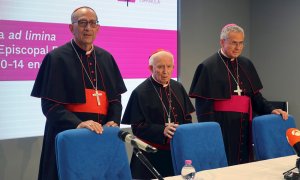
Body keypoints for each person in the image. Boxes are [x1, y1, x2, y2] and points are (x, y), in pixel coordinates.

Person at [31, 6, 127, 180]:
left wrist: (113, 120)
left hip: (101, 137)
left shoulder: (106, 58)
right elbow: (50, 106)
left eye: (92, 23)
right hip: (69, 138)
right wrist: (78, 124)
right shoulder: (56, 58)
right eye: (82, 23)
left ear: (98, 28)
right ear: (71, 27)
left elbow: (115, 99)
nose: (88, 28)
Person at [189, 23, 288, 166]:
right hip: (222, 126)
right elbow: (203, 106)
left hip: (245, 125)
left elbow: (255, 97)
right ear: (222, 42)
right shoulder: (208, 66)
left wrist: (271, 109)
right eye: (234, 43)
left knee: (245, 164)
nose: (238, 47)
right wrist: (210, 132)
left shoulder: (246, 64)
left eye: (241, 43)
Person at [121, 50, 195, 179]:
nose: (165, 71)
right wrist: (162, 130)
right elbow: (137, 127)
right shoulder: (140, 92)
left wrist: (185, 132)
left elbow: (187, 117)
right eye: (160, 67)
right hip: (151, 153)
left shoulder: (178, 87)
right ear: (151, 68)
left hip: (177, 150)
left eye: (169, 66)